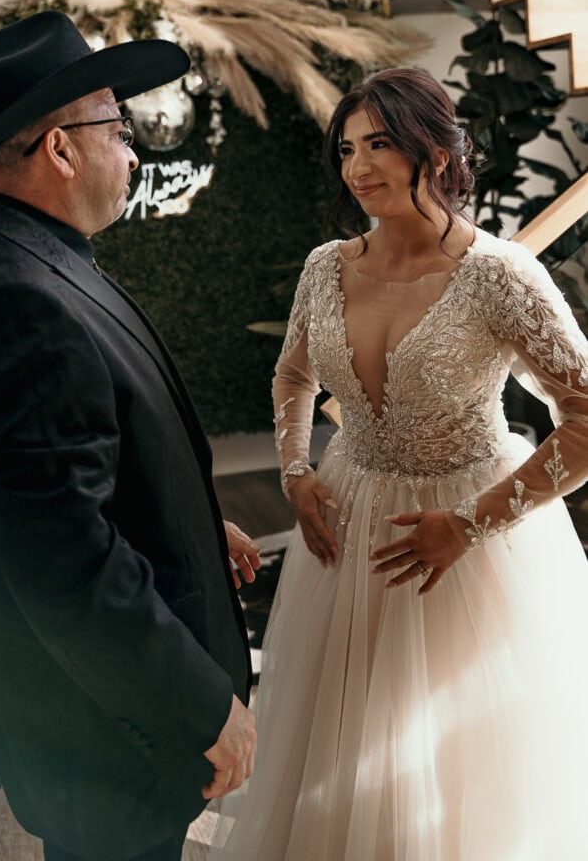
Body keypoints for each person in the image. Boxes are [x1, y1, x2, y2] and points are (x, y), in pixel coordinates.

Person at [0, 10, 260, 861]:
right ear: (61, 149)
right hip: (111, 739)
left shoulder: (22, 255)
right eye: (118, 124)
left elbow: (75, 478)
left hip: (96, 728)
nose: (134, 152)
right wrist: (200, 708)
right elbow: (64, 561)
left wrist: (188, 520)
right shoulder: (13, 302)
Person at [211, 67, 588, 860]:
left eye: (378, 144)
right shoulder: (326, 265)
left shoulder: (500, 276)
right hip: (345, 528)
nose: (357, 168)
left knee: (443, 766)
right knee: (337, 749)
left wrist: (473, 523)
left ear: (437, 152)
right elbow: (292, 373)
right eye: (346, 149)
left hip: (466, 545)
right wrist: (293, 473)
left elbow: (584, 418)